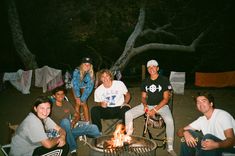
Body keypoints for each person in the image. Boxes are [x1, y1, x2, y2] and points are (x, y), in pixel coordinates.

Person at [125, 59, 177, 156]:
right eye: (149, 67)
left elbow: (166, 99)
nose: (151, 68)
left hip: (161, 106)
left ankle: (170, 147)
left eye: (153, 66)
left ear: (157, 68)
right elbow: (144, 97)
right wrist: (145, 106)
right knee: (128, 114)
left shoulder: (164, 80)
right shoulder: (145, 81)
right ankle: (128, 137)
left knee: (169, 121)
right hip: (148, 105)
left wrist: (155, 109)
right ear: (148, 69)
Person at [178, 91, 235, 156]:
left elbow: (232, 141)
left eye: (204, 101)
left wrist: (216, 145)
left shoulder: (222, 115)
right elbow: (179, 132)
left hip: (229, 148)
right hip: (211, 147)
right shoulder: (201, 120)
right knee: (186, 137)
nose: (201, 104)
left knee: (208, 137)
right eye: (198, 102)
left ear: (211, 103)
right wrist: (185, 133)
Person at [50, 86, 101, 156]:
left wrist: (74, 122)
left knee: (94, 128)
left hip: (70, 129)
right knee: (65, 122)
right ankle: (73, 148)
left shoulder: (66, 103)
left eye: (62, 94)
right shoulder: (51, 107)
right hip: (60, 133)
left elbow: (77, 115)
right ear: (54, 96)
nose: (61, 96)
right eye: (58, 94)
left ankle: (70, 137)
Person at [72, 57, 95, 122]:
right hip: (76, 85)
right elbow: (75, 84)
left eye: (89, 64)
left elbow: (89, 88)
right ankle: (77, 119)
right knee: (77, 103)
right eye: (85, 64)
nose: (87, 66)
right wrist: (78, 97)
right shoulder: (76, 71)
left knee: (84, 103)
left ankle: (87, 122)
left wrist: (83, 98)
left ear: (91, 66)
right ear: (82, 64)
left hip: (84, 86)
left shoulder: (91, 74)